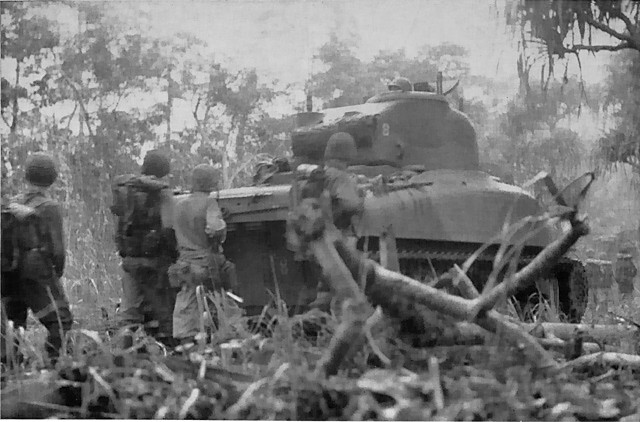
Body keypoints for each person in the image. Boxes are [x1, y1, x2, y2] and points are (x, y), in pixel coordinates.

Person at [1, 152, 73, 366]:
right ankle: (54, 365)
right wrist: (55, 274)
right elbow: (57, 250)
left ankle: (8, 369)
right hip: (37, 274)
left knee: (14, 322)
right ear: (52, 177)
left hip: (8, 273)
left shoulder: (12, 204)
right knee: (61, 321)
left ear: (26, 175)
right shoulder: (50, 208)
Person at [110, 150, 178, 347]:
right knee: (163, 312)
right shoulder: (163, 193)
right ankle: (168, 355)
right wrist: (175, 256)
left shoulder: (125, 189)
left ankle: (120, 355)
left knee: (129, 312)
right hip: (154, 262)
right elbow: (168, 229)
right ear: (164, 171)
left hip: (129, 258)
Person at [168, 164, 237, 343]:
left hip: (185, 264)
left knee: (186, 304)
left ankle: (186, 343)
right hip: (208, 263)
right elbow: (214, 228)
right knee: (223, 300)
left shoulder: (178, 204)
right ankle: (228, 338)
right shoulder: (209, 203)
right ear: (211, 182)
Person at [304, 132, 365, 310]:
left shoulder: (320, 174)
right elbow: (351, 204)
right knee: (346, 280)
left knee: (326, 283)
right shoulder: (340, 177)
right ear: (349, 153)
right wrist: (362, 198)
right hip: (339, 236)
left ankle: (319, 311)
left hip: (319, 236)